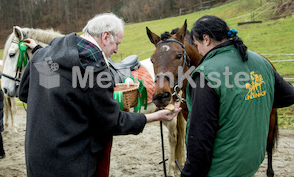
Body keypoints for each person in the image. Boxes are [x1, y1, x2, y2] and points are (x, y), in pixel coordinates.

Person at [18, 13, 180, 177]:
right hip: (71, 165)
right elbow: (113, 122)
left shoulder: (44, 54)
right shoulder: (94, 69)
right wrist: (155, 116)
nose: (117, 50)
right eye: (117, 43)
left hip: (36, 160)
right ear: (105, 36)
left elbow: (24, 92)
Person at [182, 15, 294, 176]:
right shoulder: (260, 61)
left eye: (197, 44)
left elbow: (200, 139)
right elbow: (289, 95)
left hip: (220, 169)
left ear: (206, 39)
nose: (198, 50)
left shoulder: (206, 74)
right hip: (250, 164)